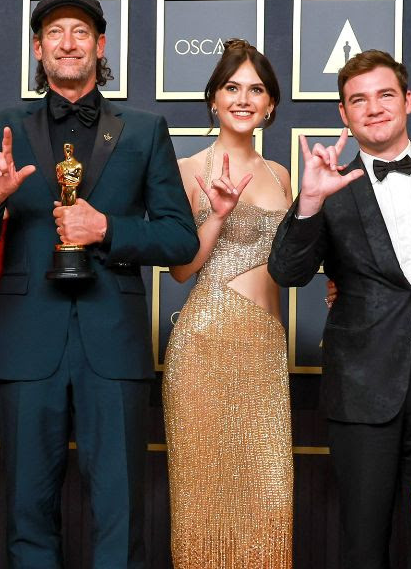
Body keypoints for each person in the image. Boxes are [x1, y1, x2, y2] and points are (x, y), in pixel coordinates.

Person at [0, 0, 199, 568]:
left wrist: (107, 228)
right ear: (38, 49)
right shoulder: (1, 126)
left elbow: (180, 238)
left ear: (100, 45)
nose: (68, 43)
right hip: (26, 343)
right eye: (55, 33)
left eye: (80, 32)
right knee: (26, 517)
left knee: (121, 517)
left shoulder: (144, 129)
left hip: (112, 344)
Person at [267, 50, 411, 569]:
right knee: (364, 541)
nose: (374, 108)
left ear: (407, 101)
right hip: (361, 385)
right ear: (344, 115)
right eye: (357, 100)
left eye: (385, 95)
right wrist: (310, 204)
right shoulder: (329, 187)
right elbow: (287, 272)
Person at [162, 39, 294, 567]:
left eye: (256, 89)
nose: (243, 99)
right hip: (205, 343)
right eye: (232, 88)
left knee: (269, 500)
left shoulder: (282, 174)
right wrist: (215, 215)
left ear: (271, 106)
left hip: (264, 348)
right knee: (203, 504)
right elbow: (179, 270)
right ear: (213, 99)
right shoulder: (189, 167)